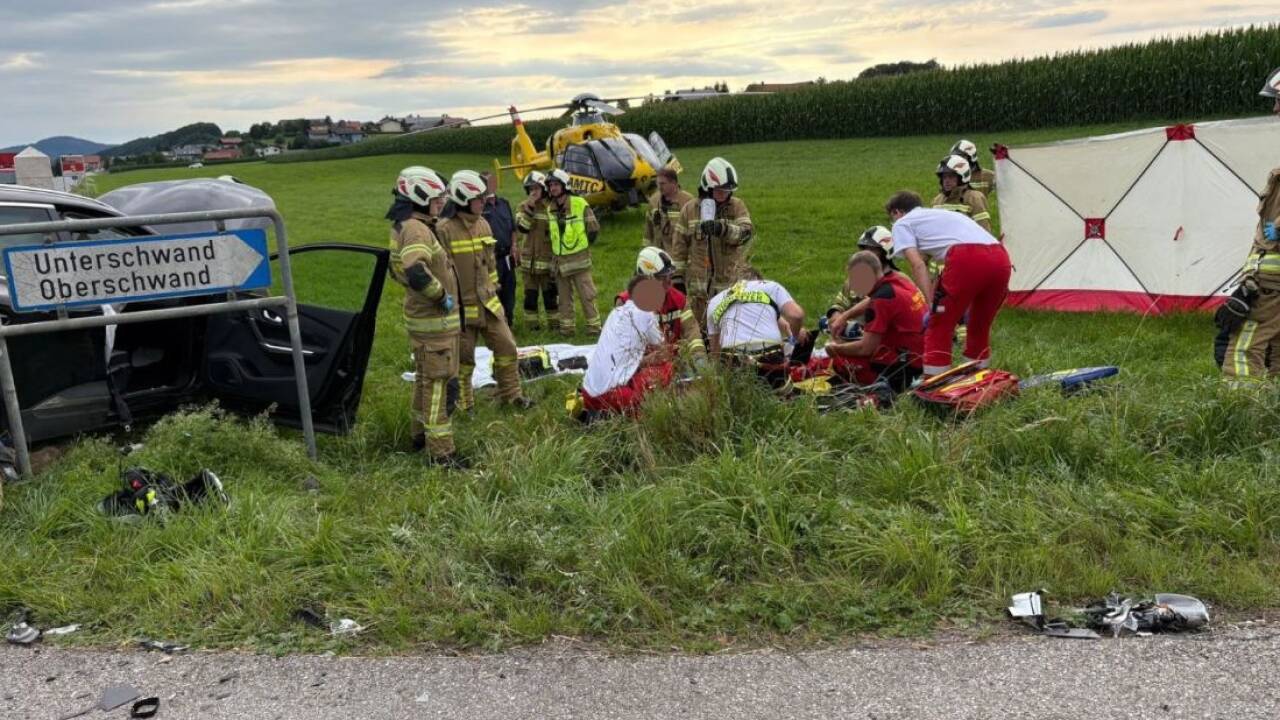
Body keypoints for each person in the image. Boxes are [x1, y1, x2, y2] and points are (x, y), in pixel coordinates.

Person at [385, 166, 467, 468]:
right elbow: (415, 272)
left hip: (423, 323)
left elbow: (396, 271)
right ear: (419, 198)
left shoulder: (404, 225)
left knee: (424, 381)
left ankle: (419, 435)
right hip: (435, 326)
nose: (440, 203)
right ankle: (442, 453)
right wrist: (441, 296)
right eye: (436, 199)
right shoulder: (417, 230)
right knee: (439, 388)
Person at [435, 169, 533, 410]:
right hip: (462, 309)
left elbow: (490, 265)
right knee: (464, 360)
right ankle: (464, 405)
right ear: (463, 200)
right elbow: (441, 273)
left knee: (507, 347)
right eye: (479, 198)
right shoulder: (444, 230)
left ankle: (512, 395)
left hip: (489, 303)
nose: (484, 202)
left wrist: (494, 287)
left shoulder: (483, 225)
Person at [887, 190, 1010, 378]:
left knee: (939, 324)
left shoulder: (902, 223)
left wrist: (930, 303)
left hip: (966, 257)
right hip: (1000, 257)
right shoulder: (942, 215)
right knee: (979, 324)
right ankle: (978, 377)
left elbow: (918, 264)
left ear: (897, 212)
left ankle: (935, 380)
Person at [1220, 66, 1280, 381]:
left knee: (1243, 350)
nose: (1275, 109)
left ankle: (1242, 405)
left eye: (1279, 101)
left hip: (1270, 284)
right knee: (1276, 351)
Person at [820, 251, 925, 391]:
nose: (852, 285)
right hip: (922, 355)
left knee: (839, 362)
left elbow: (865, 349)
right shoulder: (898, 280)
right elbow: (871, 299)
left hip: (905, 368)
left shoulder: (880, 302)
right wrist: (844, 316)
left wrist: (834, 349)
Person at [674, 157, 754, 328]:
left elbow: (745, 233)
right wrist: (677, 280)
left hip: (729, 287)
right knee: (700, 332)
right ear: (707, 187)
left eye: (727, 191)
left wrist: (722, 229)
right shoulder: (689, 210)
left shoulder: (737, 206)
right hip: (699, 292)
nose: (724, 195)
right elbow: (679, 249)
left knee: (730, 330)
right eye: (719, 191)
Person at [578, 275, 675, 417]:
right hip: (613, 396)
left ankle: (602, 415)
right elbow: (665, 352)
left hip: (588, 395)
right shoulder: (646, 314)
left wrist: (644, 361)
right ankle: (640, 413)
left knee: (638, 373)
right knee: (666, 368)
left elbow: (623, 359)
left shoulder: (615, 313)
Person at [706, 272, 806, 387]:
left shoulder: (714, 302)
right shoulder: (770, 286)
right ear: (759, 280)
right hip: (769, 353)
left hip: (732, 356)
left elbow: (715, 353)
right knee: (779, 394)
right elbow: (796, 315)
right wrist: (794, 340)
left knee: (738, 397)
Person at [615, 247, 706, 361]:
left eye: (670, 276)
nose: (669, 282)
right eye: (662, 278)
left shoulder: (679, 300)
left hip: (672, 363)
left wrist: (699, 358)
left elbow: (692, 331)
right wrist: (646, 361)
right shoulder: (625, 303)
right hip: (638, 366)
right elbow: (619, 353)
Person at [826, 225, 911, 338]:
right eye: (864, 249)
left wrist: (845, 317)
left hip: (884, 337)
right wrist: (836, 315)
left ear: (885, 252)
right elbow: (840, 302)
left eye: (872, 250)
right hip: (856, 335)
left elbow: (875, 301)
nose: (866, 254)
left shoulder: (900, 280)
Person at [545, 168, 601, 337]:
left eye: (556, 184)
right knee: (563, 299)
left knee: (587, 296)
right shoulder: (550, 208)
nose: (553, 188)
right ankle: (567, 330)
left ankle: (594, 328)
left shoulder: (579, 203)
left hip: (579, 261)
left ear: (565, 185)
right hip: (560, 263)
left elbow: (593, 229)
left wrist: (582, 247)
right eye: (550, 185)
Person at [515, 171, 558, 330]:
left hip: (547, 262)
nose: (533, 192)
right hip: (529, 264)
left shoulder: (551, 207)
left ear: (543, 189)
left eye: (536, 188)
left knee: (550, 297)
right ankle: (532, 328)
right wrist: (530, 208)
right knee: (530, 298)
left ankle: (555, 326)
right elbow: (522, 228)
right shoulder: (522, 206)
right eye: (530, 189)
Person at [480, 170, 518, 326]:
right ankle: (496, 324)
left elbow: (513, 229)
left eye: (491, 182)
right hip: (491, 258)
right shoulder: (480, 207)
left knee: (509, 290)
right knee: (494, 291)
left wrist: (514, 246)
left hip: (507, 257)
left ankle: (509, 321)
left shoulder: (504, 203)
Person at [931, 154, 993, 233]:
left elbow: (983, 229)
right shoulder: (938, 200)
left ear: (962, 177)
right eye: (944, 177)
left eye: (951, 176)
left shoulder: (974, 198)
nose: (946, 181)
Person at [643, 167, 694, 261]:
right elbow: (648, 232)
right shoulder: (654, 201)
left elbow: (694, 235)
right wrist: (646, 254)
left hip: (679, 257)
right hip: (658, 257)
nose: (659, 187)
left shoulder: (688, 202)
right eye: (658, 184)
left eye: (663, 184)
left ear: (674, 183)